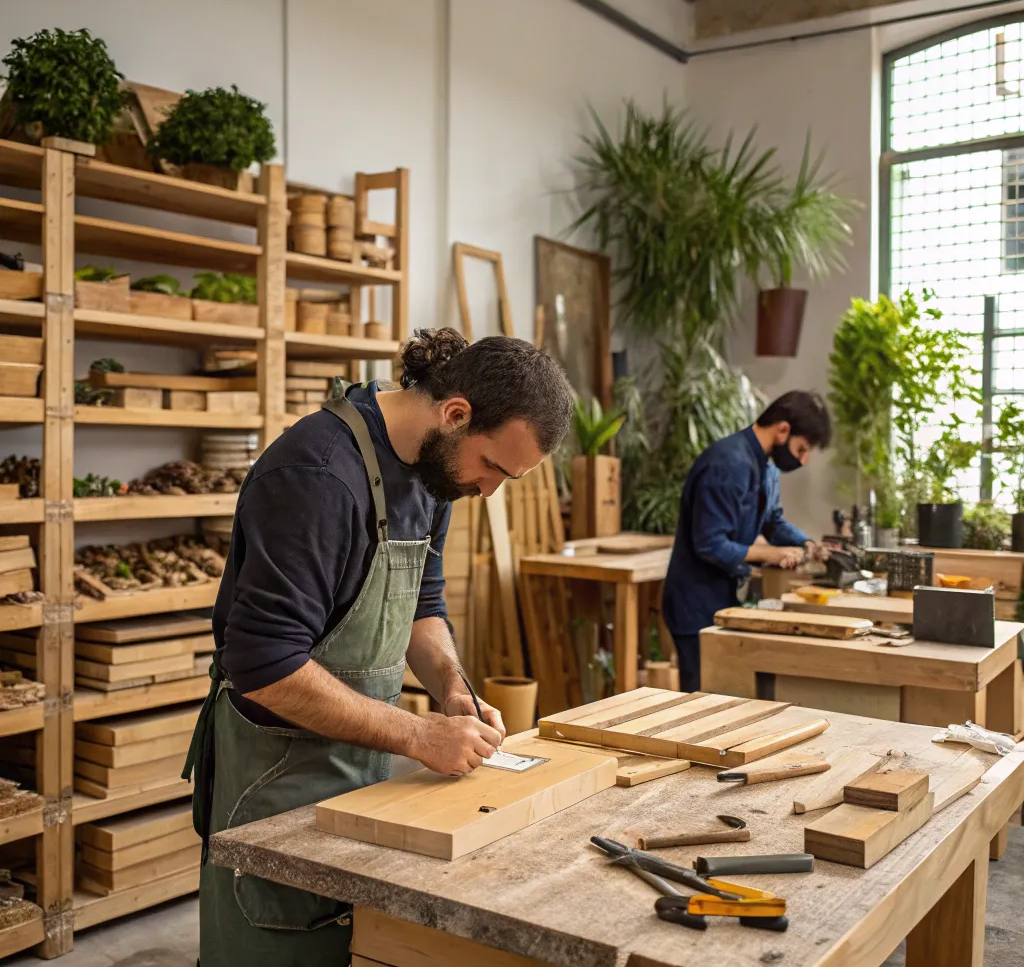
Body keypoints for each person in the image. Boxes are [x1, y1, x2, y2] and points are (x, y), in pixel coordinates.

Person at [184, 327, 574, 967]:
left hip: (360, 766)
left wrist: (452, 686)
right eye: (493, 468)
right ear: (455, 414)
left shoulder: (433, 471)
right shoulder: (315, 475)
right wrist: (418, 735)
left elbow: (422, 603)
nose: (488, 491)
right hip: (274, 774)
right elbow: (264, 666)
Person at [662, 391, 832, 692]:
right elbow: (710, 544)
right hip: (696, 603)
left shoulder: (767, 468)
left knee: (728, 697)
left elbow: (773, 521)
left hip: (724, 598)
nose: (803, 461)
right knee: (702, 702)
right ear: (783, 430)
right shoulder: (728, 463)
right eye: (802, 449)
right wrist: (771, 554)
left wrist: (808, 545)